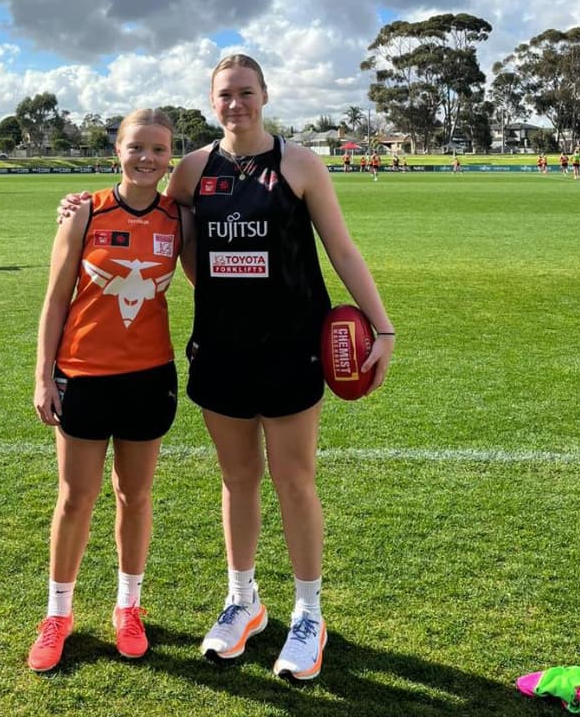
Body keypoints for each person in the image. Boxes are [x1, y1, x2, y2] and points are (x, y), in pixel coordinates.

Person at [58, 55, 395, 681]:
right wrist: (80, 206)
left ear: (264, 94)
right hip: (220, 348)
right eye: (224, 95)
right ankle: (243, 600)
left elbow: (342, 249)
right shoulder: (193, 168)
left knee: (294, 479)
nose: (236, 103)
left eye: (246, 92)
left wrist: (383, 327)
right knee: (237, 479)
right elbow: (148, 214)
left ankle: (308, 613)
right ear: (212, 102)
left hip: (291, 346)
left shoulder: (300, 164)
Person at [28, 109, 195, 673]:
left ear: (170, 157)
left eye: (158, 149)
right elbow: (56, 299)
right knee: (76, 497)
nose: (146, 158)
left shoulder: (179, 218)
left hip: (149, 376)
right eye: (136, 147)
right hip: (82, 373)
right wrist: (43, 375)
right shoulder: (85, 211)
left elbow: (213, 279)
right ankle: (57, 614)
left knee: (135, 495)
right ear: (117, 151)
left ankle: (129, 607)